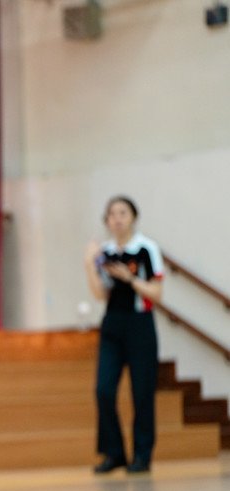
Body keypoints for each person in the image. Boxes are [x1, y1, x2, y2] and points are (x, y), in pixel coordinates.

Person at [84, 196, 163, 474]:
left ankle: (142, 455)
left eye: (122, 213)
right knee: (103, 390)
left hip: (140, 324)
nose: (117, 219)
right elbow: (100, 294)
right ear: (106, 221)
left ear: (133, 217)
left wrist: (130, 279)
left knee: (142, 392)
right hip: (112, 324)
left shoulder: (146, 249)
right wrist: (89, 264)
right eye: (112, 214)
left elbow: (157, 293)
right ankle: (114, 452)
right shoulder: (105, 252)